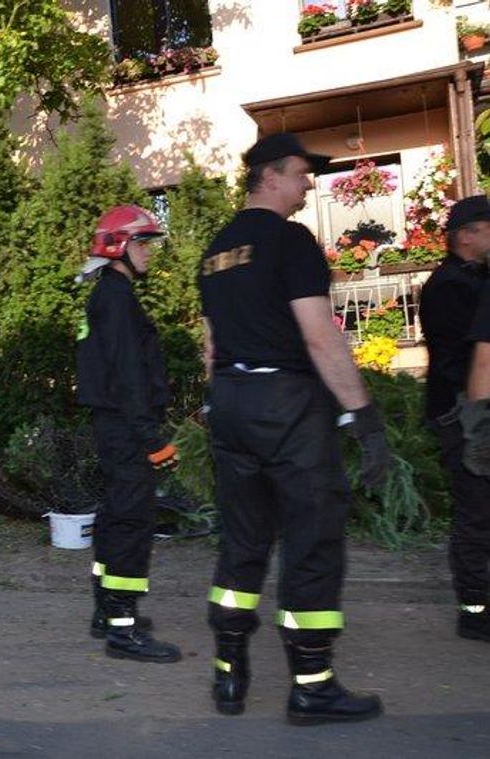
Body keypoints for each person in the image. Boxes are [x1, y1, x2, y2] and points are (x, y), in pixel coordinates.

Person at [197, 132, 390, 725]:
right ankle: (312, 684)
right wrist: (363, 415)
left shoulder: (216, 249)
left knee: (245, 539)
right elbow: (319, 334)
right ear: (270, 176)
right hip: (288, 406)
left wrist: (220, 405)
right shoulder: (290, 240)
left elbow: (208, 344)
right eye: (302, 174)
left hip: (230, 402)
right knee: (311, 540)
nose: (309, 184)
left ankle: (229, 672)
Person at [75, 204, 182, 664]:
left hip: (115, 425)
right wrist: (153, 439)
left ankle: (106, 612)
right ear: (120, 246)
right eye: (143, 243)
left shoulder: (107, 293)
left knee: (116, 517)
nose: (148, 253)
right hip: (126, 427)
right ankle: (123, 629)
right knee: (133, 524)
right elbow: (128, 375)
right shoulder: (115, 297)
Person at [419, 195, 490, 644]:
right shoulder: (449, 285)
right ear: (465, 235)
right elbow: (467, 356)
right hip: (463, 415)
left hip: (472, 409)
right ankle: (475, 610)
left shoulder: (473, 279)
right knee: (476, 512)